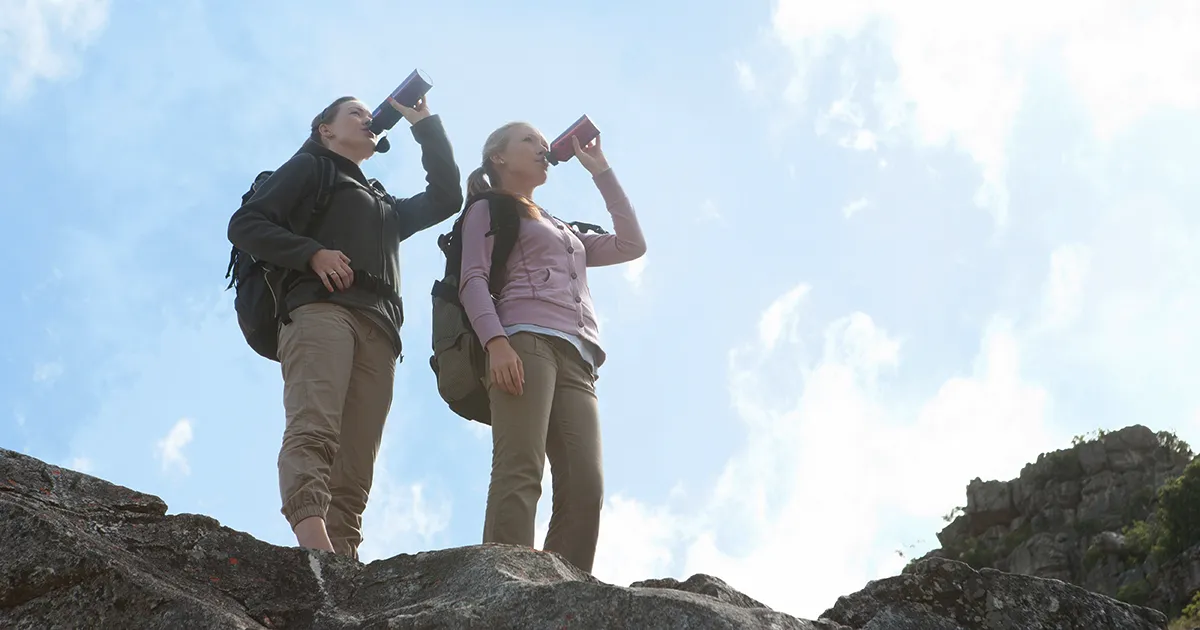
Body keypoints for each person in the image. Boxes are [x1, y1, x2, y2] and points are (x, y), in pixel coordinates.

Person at [227, 94, 463, 558]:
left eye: (367, 113)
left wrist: (424, 122)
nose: (367, 118)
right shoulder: (310, 168)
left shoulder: (382, 202)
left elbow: (446, 197)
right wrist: (311, 253)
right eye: (354, 113)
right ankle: (314, 546)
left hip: (381, 329)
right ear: (325, 130)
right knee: (314, 427)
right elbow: (245, 224)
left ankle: (344, 558)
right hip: (320, 310)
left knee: (356, 463)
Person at [457, 122, 646, 573]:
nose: (543, 148)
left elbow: (631, 244)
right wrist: (497, 343)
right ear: (498, 157)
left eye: (546, 144)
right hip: (523, 341)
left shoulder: (561, 228)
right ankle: (505, 586)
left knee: (586, 486)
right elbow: (472, 281)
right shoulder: (489, 209)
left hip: (579, 358)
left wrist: (600, 171)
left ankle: (562, 598)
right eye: (530, 141)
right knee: (520, 467)